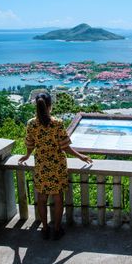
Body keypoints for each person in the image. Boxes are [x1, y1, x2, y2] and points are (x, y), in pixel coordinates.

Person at [18, 92, 92, 240]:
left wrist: (27, 156)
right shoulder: (57, 123)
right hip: (57, 164)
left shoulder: (31, 123)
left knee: (42, 198)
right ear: (50, 106)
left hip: (41, 163)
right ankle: (57, 229)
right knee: (58, 198)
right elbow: (65, 147)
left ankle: (45, 228)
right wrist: (80, 156)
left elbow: (30, 144)